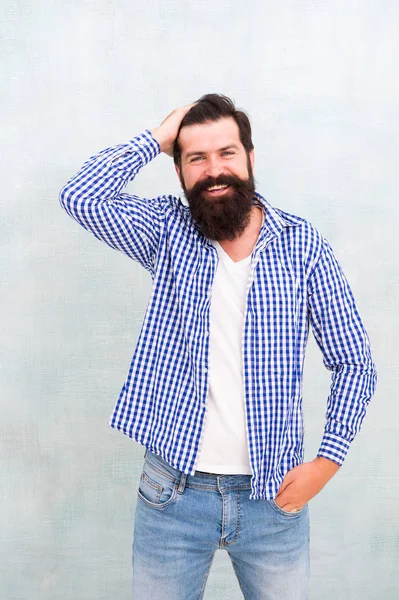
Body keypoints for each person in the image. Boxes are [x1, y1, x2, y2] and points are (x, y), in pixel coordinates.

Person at [59, 94, 377, 599]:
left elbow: (355, 363)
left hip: (273, 498)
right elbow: (81, 195)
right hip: (171, 495)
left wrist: (327, 462)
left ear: (251, 157)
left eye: (227, 153)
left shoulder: (303, 246)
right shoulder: (166, 231)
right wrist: (157, 139)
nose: (214, 170)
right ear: (180, 171)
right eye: (196, 158)